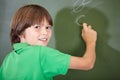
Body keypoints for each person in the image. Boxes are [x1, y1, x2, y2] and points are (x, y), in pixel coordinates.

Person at [0, 4, 97, 80]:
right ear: (20, 31)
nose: (45, 32)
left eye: (48, 27)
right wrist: (91, 41)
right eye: (37, 27)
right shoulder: (41, 54)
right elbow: (87, 63)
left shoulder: (8, 59)